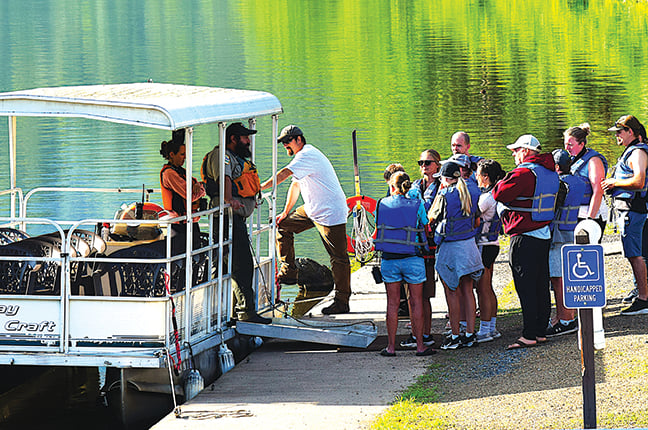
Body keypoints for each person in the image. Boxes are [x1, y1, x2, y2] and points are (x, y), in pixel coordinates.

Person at [260, 125, 351, 315]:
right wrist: (285, 212)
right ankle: (289, 271)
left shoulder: (308, 155)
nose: (285, 145)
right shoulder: (300, 160)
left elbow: (284, 173)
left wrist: (260, 188)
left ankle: (342, 301)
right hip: (311, 210)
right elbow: (295, 187)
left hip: (330, 212)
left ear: (299, 140)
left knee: (339, 258)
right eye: (283, 143)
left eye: (288, 141)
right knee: (283, 226)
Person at [492, 134, 559, 349]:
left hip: (524, 236)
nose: (513, 154)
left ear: (526, 151)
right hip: (543, 233)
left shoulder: (523, 173)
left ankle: (529, 334)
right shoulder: (550, 171)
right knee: (541, 284)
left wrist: (500, 181)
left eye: (516, 150)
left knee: (526, 286)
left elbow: (499, 194)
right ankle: (540, 331)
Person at [201, 122, 271, 324]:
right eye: (244, 137)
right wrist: (229, 199)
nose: (248, 141)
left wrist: (249, 200)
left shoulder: (234, 157)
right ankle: (245, 312)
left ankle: (231, 311)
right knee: (241, 264)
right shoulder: (221, 155)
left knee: (233, 264)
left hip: (235, 218)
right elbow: (225, 180)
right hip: (226, 219)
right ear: (233, 138)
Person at [374, 171, 436, 357]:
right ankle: (420, 347)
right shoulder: (417, 204)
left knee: (392, 304)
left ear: (391, 187)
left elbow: (379, 226)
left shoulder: (381, 203)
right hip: (413, 258)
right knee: (416, 302)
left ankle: (391, 347)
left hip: (389, 260)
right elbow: (426, 225)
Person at [429, 162, 483, 350]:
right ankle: (470, 333)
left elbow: (431, 218)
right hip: (469, 247)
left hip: (451, 249)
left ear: (444, 179)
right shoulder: (472, 191)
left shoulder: (444, 195)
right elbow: (477, 219)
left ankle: (455, 335)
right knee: (468, 291)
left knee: (452, 292)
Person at [602, 115, 648, 315]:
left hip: (634, 210)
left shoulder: (638, 152)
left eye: (620, 132)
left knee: (634, 254)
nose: (617, 137)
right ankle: (641, 292)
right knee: (639, 253)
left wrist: (614, 183)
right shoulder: (634, 150)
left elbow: (638, 181)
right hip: (632, 209)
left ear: (631, 132)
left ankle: (644, 299)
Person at [399, 149, 441, 349]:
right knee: (412, 294)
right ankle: (417, 333)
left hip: (432, 246)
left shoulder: (442, 186)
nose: (424, 166)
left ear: (437, 165)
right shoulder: (415, 185)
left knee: (425, 294)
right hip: (414, 245)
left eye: (428, 162)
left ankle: (426, 333)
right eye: (421, 162)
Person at [546, 149, 588, 336]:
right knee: (568, 277)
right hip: (572, 230)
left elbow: (552, 207)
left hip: (558, 235)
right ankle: (566, 315)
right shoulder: (579, 181)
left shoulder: (558, 184)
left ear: (556, 167)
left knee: (558, 278)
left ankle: (565, 319)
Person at [475, 159, 506, 343]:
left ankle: (485, 329)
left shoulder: (486, 198)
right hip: (492, 243)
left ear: (485, 177)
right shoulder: (495, 193)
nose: (475, 177)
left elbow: (475, 219)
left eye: (478, 174)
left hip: (484, 245)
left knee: (483, 289)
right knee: (489, 287)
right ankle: (492, 327)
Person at [159, 132, 206, 250]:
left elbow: (195, 186)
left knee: (195, 255)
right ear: (172, 154)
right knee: (183, 258)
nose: (185, 157)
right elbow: (190, 195)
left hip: (190, 221)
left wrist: (198, 186)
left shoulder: (181, 171)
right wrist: (202, 187)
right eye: (182, 154)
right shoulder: (169, 173)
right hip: (179, 225)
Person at [563, 123, 608, 235]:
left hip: (591, 213)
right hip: (575, 213)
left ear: (582, 144)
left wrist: (590, 220)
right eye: (565, 144)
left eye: (570, 144)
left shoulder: (594, 161)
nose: (566, 148)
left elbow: (598, 191)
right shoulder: (573, 160)